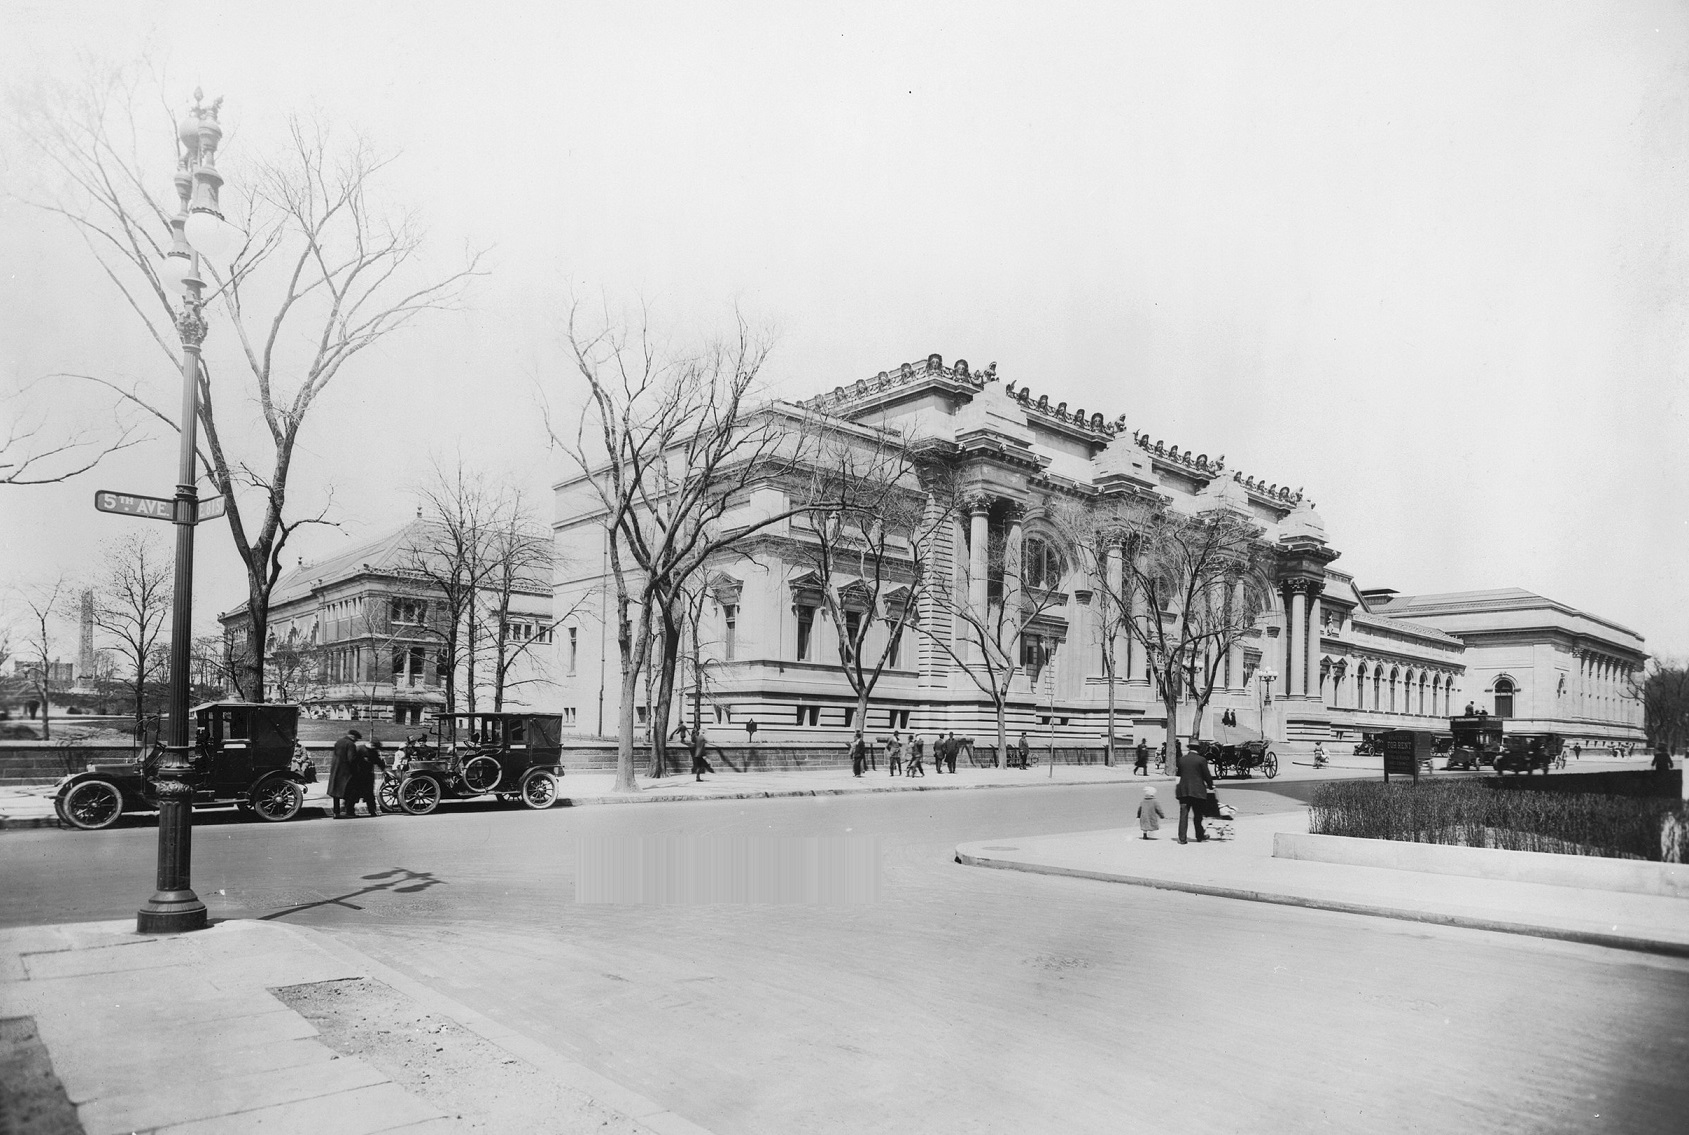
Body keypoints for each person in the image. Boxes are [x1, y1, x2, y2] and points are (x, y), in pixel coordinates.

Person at [1174, 740, 1213, 844]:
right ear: (1198, 749)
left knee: (1183, 815)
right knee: (1198, 815)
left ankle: (1182, 839)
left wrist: (1178, 789)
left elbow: (1178, 776)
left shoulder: (1181, 760)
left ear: (1189, 748)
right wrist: (1210, 785)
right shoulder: (1201, 760)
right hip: (1197, 792)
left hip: (1183, 791)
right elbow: (1206, 775)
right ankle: (1199, 836)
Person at [328, 728, 361, 818]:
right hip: (346, 773)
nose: (356, 741)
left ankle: (336, 812)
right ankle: (349, 812)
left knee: (336, 793)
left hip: (336, 770)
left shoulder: (339, 742)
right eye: (356, 739)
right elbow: (352, 759)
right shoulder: (350, 744)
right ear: (353, 737)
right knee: (351, 792)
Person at [346, 736, 381, 818]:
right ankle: (349, 811)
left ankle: (372, 811)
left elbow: (378, 761)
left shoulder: (373, 752)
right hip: (358, 776)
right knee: (354, 794)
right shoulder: (360, 749)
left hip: (368, 776)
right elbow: (352, 761)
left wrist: (383, 768)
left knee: (369, 795)